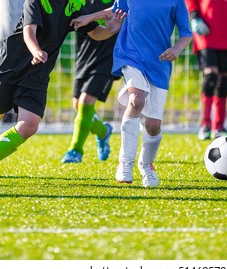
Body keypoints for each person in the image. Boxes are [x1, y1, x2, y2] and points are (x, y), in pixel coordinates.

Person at [0, 0, 125, 186]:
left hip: (37, 74)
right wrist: (36, 51)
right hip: (12, 65)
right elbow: (29, 31)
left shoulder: (74, 5)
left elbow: (94, 32)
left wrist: (110, 30)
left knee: (29, 125)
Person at [71, 0, 193, 187]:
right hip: (130, 56)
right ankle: (125, 163)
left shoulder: (176, 2)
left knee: (153, 125)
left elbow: (186, 33)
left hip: (159, 63)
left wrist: (176, 49)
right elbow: (112, 11)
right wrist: (89, 17)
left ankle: (146, 165)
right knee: (136, 100)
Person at [185, 0, 227, 140]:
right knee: (211, 77)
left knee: (223, 79)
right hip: (207, 32)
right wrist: (194, 16)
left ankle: (219, 127)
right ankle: (205, 125)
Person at [61, 0, 118, 164]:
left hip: (107, 58)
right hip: (84, 56)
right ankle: (103, 131)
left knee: (86, 102)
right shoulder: (80, 2)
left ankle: (75, 150)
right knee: (78, 105)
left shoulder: (118, 2)